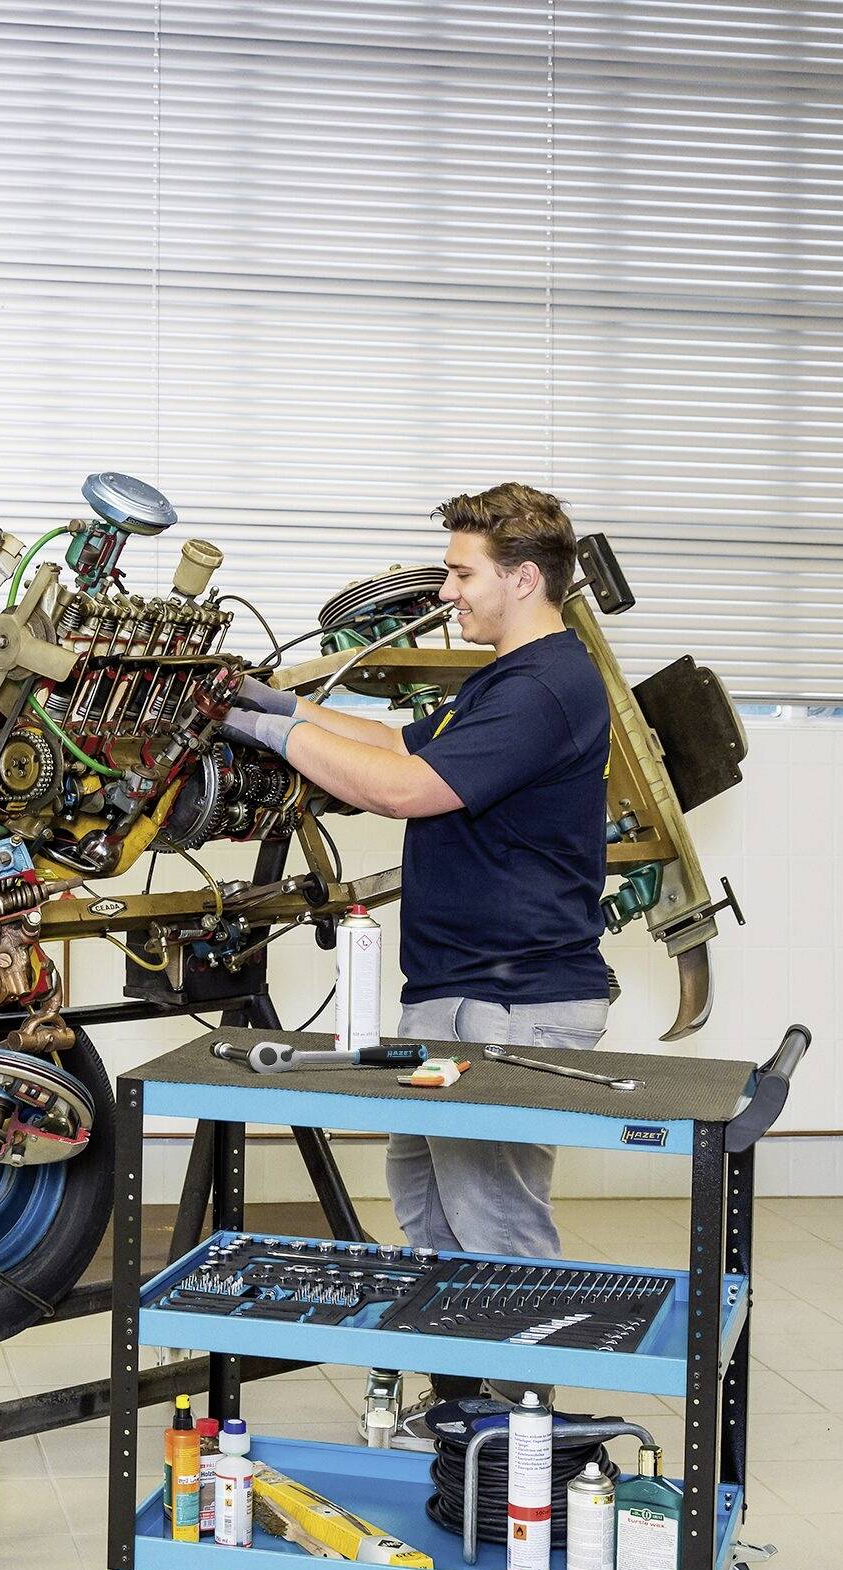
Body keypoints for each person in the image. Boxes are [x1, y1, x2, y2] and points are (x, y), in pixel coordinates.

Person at [223, 483, 611, 1390]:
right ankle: (461, 1420)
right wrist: (272, 702)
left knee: (497, 1228)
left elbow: (405, 790)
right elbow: (396, 745)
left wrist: (267, 734)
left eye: (461, 574)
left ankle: (524, 1435)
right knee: (432, 1216)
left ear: (523, 579)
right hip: (459, 993)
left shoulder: (547, 688)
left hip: (511, 1004)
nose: (444, 592)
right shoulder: (505, 680)